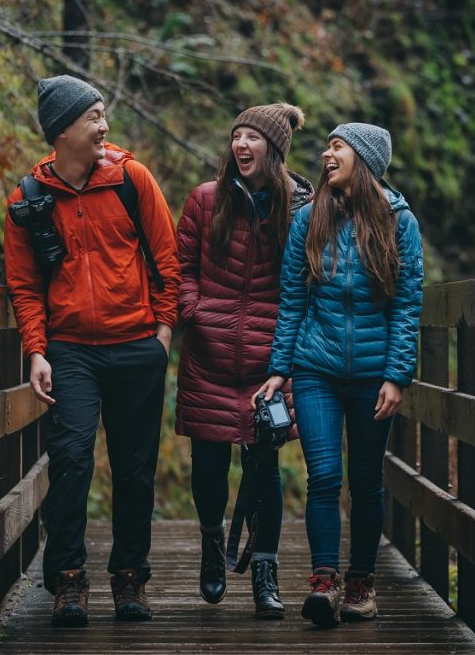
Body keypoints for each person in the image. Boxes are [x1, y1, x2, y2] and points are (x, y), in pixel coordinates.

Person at [3, 75, 179, 627]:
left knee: (133, 468)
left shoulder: (132, 179)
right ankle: (68, 582)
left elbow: (168, 263)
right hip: (71, 348)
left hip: (136, 346)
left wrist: (163, 334)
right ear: (62, 130)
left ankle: (130, 578)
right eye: (93, 117)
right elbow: (25, 286)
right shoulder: (27, 201)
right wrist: (37, 349)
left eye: (103, 116)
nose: (104, 126)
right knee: (73, 458)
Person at [258, 122, 423, 627]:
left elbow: (408, 303)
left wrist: (397, 375)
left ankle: (360, 584)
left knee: (367, 481)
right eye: (327, 146)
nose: (327, 155)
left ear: (365, 159)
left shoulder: (400, 222)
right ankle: (324, 581)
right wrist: (279, 369)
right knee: (325, 477)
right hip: (316, 370)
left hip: (374, 375)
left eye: (338, 147)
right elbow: (291, 300)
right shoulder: (309, 219)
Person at [175, 103, 313, 619]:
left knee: (263, 470)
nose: (241, 144)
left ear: (274, 151)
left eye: (253, 136)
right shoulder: (205, 201)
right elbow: (181, 266)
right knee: (209, 466)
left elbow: (308, 282)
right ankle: (213, 540)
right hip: (209, 357)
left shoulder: (299, 210)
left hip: (269, 362)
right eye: (236, 135)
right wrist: (195, 311)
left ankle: (265, 571)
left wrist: (287, 346)